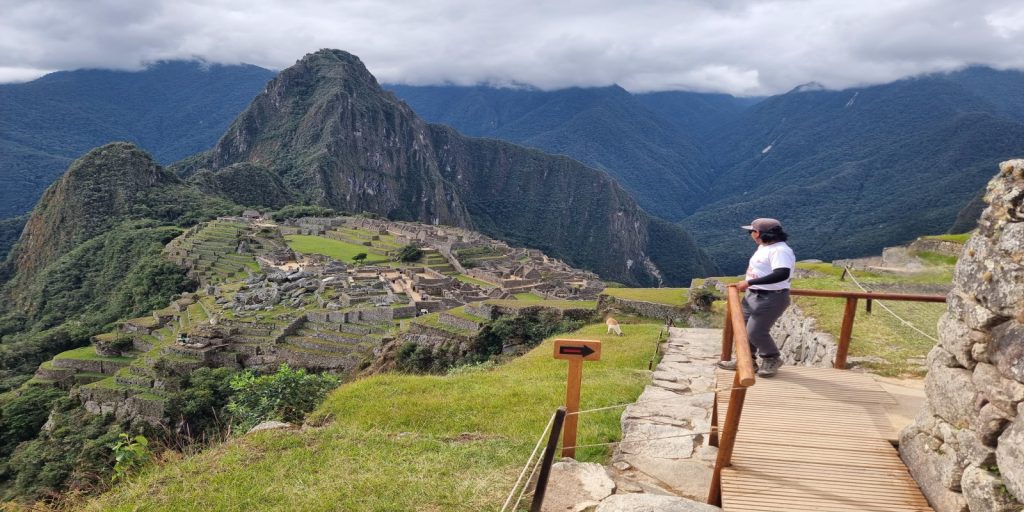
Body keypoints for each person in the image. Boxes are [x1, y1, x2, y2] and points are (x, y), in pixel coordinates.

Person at [717, 218, 795, 377]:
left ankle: (771, 357)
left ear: (758, 233)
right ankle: (746, 360)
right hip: (753, 294)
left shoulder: (780, 251)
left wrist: (749, 282)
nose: (750, 234)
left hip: (771, 297)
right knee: (743, 330)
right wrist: (750, 285)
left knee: (755, 331)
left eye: (751, 231)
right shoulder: (764, 247)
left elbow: (782, 274)